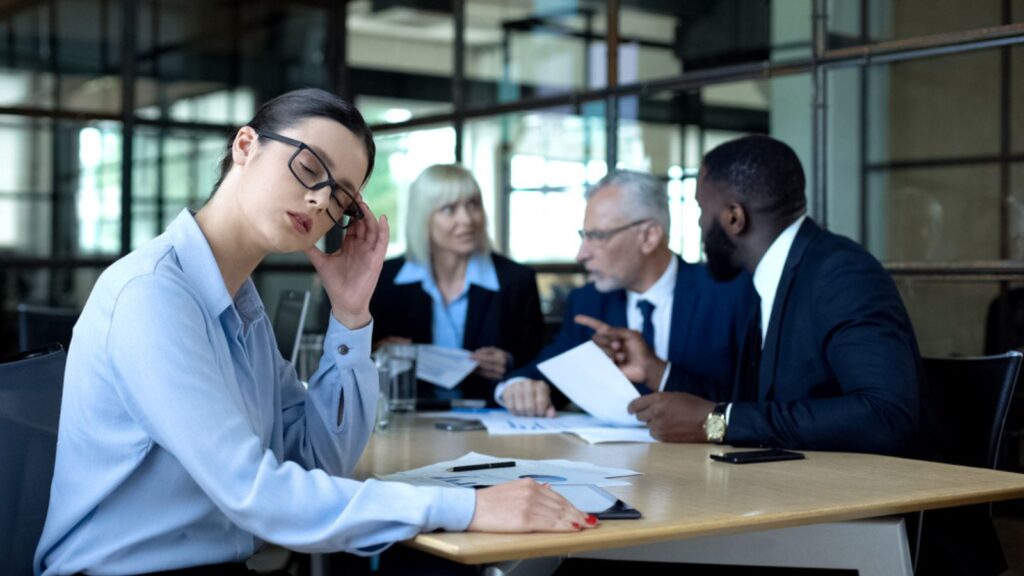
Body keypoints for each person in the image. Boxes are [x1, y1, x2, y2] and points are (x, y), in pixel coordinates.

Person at [34, 89, 593, 576]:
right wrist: (466, 509)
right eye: (308, 168)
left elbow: (317, 460)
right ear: (246, 146)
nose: (322, 200)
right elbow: (254, 492)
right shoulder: (153, 295)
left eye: (342, 198)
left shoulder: (239, 305)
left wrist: (350, 317)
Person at [587, 135, 923, 453]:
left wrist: (717, 423)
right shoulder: (771, 278)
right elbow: (755, 406)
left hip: (852, 504)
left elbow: (886, 415)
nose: (701, 226)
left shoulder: (840, 274)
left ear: (734, 217)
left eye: (702, 210)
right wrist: (654, 370)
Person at [495, 170, 755, 417]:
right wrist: (518, 387)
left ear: (649, 237)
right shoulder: (588, 302)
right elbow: (540, 372)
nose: (581, 255)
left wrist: (659, 373)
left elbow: (752, 402)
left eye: (597, 236)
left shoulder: (729, 293)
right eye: (583, 236)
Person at [369, 164, 543, 405]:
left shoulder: (516, 280)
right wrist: (378, 350)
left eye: (473, 205)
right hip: (409, 418)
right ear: (423, 217)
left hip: (490, 418)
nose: (467, 219)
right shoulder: (383, 279)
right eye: (449, 209)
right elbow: (352, 354)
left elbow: (540, 359)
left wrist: (510, 362)